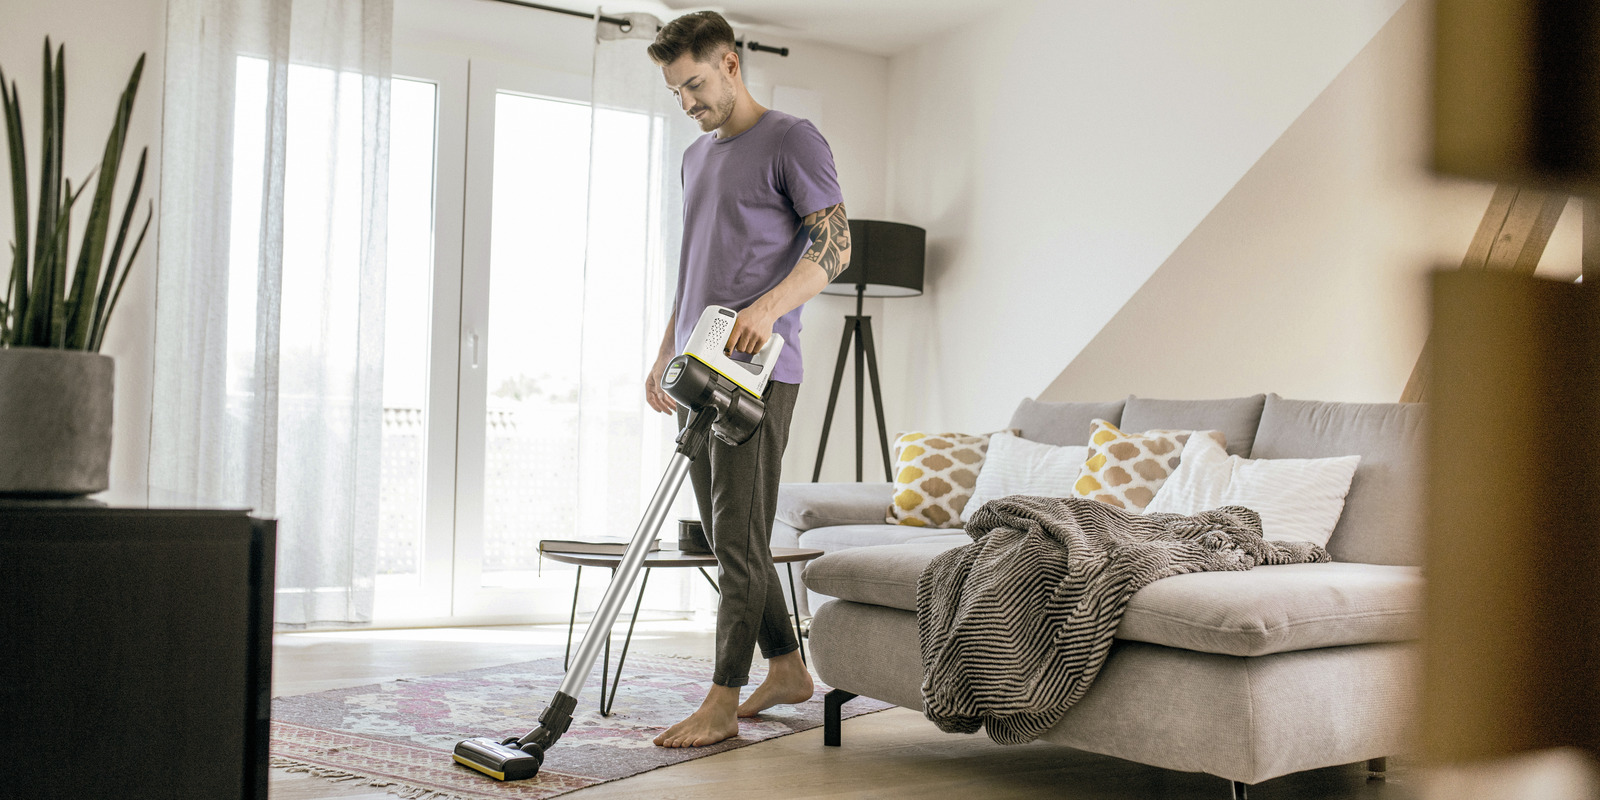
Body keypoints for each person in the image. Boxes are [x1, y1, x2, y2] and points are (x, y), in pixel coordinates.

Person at [642, 11, 852, 748]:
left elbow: (836, 245)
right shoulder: (697, 157)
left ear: (730, 63)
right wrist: (666, 347)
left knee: (738, 535)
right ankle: (789, 669)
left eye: (695, 84)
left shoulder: (792, 138)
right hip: (696, 368)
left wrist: (767, 307)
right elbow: (692, 265)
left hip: (756, 376)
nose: (689, 103)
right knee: (731, 538)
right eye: (677, 93)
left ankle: (721, 700)